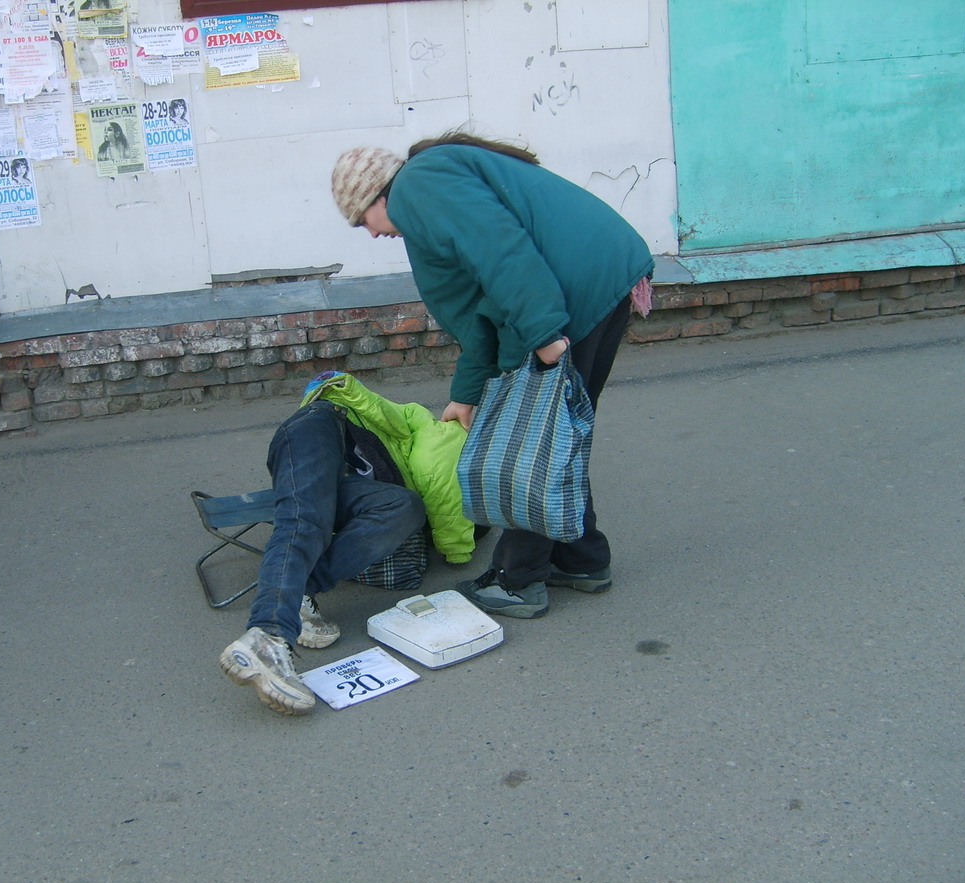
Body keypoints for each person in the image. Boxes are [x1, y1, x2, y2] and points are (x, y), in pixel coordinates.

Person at [330, 130, 655, 620]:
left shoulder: (418, 186)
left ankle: (517, 581)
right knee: (556, 436)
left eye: (362, 222)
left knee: (532, 446)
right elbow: (480, 304)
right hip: (598, 278)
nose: (373, 234)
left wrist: (543, 333)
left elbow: (500, 252)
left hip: (570, 296)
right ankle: (581, 560)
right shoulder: (431, 191)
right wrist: (465, 394)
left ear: (377, 195)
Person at [219, 373, 474, 716]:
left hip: (343, 474)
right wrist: (457, 550)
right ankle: (268, 634)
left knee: (405, 507)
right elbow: (442, 491)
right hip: (320, 425)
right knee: (304, 520)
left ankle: (300, 592)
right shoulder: (450, 435)